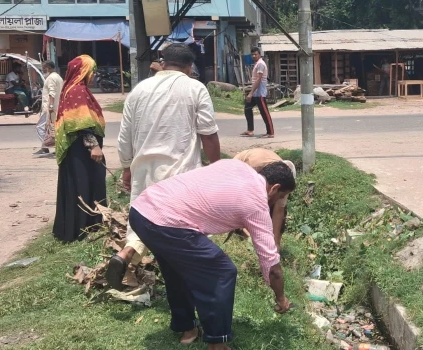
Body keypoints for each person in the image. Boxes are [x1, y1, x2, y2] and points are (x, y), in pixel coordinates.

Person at [129, 159, 295, 349]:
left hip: (141, 211)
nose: (277, 201)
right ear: (274, 188)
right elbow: (271, 264)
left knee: (176, 270)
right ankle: (217, 343)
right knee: (222, 272)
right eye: (281, 196)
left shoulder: (238, 166)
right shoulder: (257, 203)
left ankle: (188, 330)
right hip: (166, 221)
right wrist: (281, 298)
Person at [106, 44, 221, 291]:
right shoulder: (195, 88)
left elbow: (124, 136)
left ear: (163, 62)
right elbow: (208, 134)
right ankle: (188, 282)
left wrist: (127, 168)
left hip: (144, 172)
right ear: (190, 68)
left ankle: (126, 254)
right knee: (185, 229)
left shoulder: (139, 91)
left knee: (144, 222)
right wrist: (217, 168)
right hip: (181, 175)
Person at [52, 55, 107, 243]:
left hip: (78, 149)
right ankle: (85, 228)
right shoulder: (77, 90)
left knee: (82, 185)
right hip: (82, 150)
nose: (94, 74)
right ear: (83, 72)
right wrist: (94, 146)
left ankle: (83, 227)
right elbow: (81, 123)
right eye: (92, 70)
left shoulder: (72, 89)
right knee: (85, 185)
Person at [233, 148, 297, 249]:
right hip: (236, 178)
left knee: (276, 208)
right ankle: (242, 231)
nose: (283, 197)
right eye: (281, 195)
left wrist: (275, 244)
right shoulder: (252, 169)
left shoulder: (285, 180)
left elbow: (279, 211)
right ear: (275, 187)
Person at [241, 47, 274, 138]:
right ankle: (250, 130)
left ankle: (270, 132)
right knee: (247, 108)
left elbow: (259, 79)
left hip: (260, 93)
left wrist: (251, 93)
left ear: (259, 54)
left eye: (255, 54)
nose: (254, 56)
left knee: (264, 112)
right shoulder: (257, 64)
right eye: (252, 54)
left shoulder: (260, 64)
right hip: (256, 93)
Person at [34, 61, 64, 157]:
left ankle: (47, 147)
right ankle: (47, 147)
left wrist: (50, 106)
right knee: (53, 128)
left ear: (48, 67)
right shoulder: (58, 77)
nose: (43, 70)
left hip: (50, 108)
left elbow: (52, 92)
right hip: (57, 106)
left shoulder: (51, 78)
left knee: (40, 127)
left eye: (44, 68)